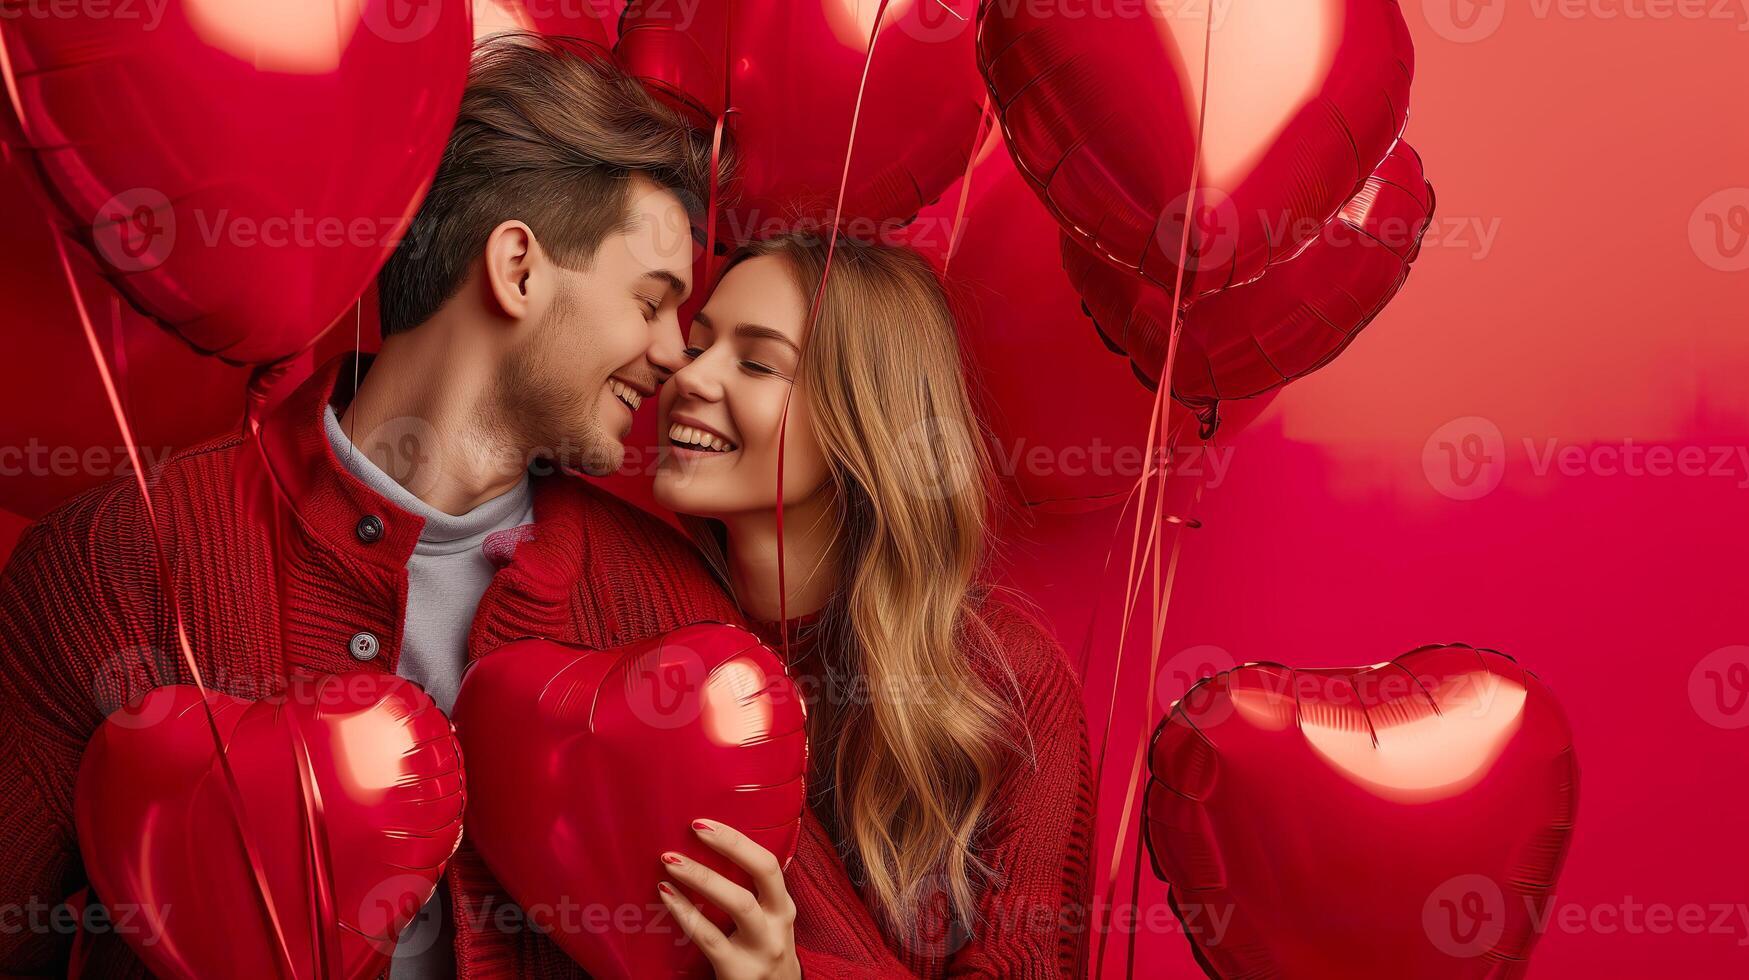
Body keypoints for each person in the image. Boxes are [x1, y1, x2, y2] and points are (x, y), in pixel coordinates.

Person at [0, 34, 761, 978]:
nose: (675, 353)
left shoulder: (670, 611)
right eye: (653, 302)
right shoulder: (118, 558)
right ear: (517, 270)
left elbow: (838, 948)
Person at [651, 233, 1097, 978]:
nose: (690, 378)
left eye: (757, 362)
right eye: (697, 347)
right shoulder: (634, 608)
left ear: (865, 421)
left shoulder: (1001, 679)